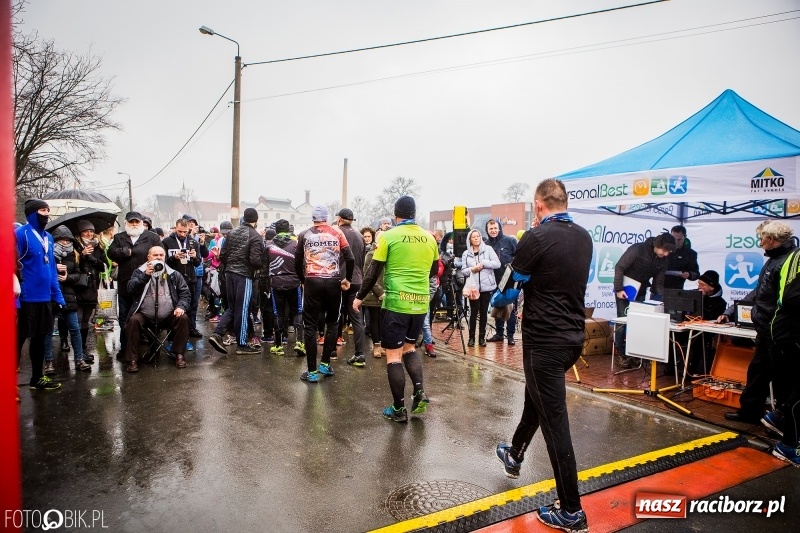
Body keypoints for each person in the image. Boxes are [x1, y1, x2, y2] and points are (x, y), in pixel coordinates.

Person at [495, 178, 592, 532]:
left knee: (555, 423)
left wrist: (498, 303)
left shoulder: (534, 238)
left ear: (538, 206)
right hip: (572, 339)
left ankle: (571, 510)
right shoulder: (583, 236)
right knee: (534, 400)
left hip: (544, 341)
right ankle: (515, 452)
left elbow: (506, 289)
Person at [354, 196, 439, 422]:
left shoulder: (389, 236)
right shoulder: (429, 238)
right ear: (414, 213)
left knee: (393, 355)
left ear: (395, 215)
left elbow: (372, 272)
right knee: (410, 348)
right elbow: (433, 271)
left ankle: (399, 409)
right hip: (420, 304)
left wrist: (359, 297)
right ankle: (419, 391)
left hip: (396, 303)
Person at [724, 220, 797, 424]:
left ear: (771, 239)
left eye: (761, 237)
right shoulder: (773, 259)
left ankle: (783, 422)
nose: (759, 241)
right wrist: (731, 311)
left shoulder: (788, 260)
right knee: (757, 373)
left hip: (779, 332)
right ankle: (749, 412)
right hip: (766, 330)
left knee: (783, 380)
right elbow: (759, 292)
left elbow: (786, 299)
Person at [294, 205, 354, 382]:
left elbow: (297, 260)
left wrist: (302, 279)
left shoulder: (304, 234)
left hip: (312, 280)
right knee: (333, 322)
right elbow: (350, 258)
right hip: (333, 280)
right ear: (326, 218)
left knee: (310, 325)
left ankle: (312, 372)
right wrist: (347, 279)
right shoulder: (337, 233)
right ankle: (325, 364)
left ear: (313, 218)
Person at [15, 199, 67, 390]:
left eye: (48, 210)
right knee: (18, 341)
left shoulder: (49, 238)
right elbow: (10, 266)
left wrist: (58, 297)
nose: (46, 214)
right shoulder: (20, 234)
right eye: (42, 210)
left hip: (44, 298)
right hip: (25, 298)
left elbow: (52, 269)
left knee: (39, 339)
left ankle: (37, 378)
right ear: (31, 213)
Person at [612, 232, 676, 368]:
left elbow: (658, 282)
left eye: (669, 252)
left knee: (637, 322)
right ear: (657, 245)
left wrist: (660, 301)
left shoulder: (664, 260)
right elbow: (619, 267)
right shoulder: (638, 249)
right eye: (664, 250)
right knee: (623, 320)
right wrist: (618, 289)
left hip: (640, 290)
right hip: (625, 288)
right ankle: (621, 353)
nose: (666, 254)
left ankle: (634, 353)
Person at [123, 246, 192, 372]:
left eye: (161, 255)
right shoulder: (139, 272)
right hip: (145, 314)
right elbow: (130, 289)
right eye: (155, 255)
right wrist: (145, 276)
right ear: (148, 258)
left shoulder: (173, 274)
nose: (159, 257)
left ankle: (179, 354)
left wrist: (180, 306)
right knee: (133, 321)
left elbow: (185, 293)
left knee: (183, 318)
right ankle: (132, 360)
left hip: (168, 314)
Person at [208, 208, 265, 355]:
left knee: (232, 308)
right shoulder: (255, 236)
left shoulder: (232, 233)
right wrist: (260, 266)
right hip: (244, 276)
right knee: (243, 309)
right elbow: (255, 260)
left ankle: (217, 334)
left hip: (229, 274)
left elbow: (223, 255)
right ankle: (242, 344)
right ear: (256, 221)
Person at [107, 211, 163, 358]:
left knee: (150, 317)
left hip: (147, 285)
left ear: (141, 223)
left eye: (136, 222)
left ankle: (153, 348)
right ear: (126, 223)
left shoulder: (152, 237)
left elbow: (162, 254)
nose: (134, 224)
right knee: (125, 318)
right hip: (126, 285)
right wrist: (125, 252)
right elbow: (110, 253)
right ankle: (125, 348)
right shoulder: (119, 238)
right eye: (131, 222)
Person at [768, 245, 800, 464]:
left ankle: (780, 416)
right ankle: (789, 445)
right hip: (790, 332)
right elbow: (789, 298)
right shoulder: (795, 257)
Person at [47, 225, 91, 371]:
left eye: (67, 240)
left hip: (69, 295)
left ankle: (79, 359)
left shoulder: (74, 254)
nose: (65, 243)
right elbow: (41, 272)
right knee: (47, 330)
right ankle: (49, 362)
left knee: (74, 328)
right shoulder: (47, 253)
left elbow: (78, 275)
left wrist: (67, 277)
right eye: (61, 240)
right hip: (51, 295)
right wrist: (54, 268)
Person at [161, 218, 202, 348]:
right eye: (180, 231)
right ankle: (171, 340)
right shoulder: (167, 242)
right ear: (175, 228)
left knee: (188, 310)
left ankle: (185, 340)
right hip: (172, 280)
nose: (183, 234)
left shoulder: (193, 242)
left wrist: (195, 256)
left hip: (190, 279)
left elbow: (198, 262)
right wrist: (174, 257)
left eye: (185, 232)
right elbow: (162, 262)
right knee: (173, 310)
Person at [335, 208, 367, 368]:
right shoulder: (361, 236)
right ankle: (360, 354)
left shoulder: (336, 233)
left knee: (335, 315)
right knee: (356, 318)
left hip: (340, 279)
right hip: (356, 279)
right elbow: (360, 260)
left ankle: (332, 351)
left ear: (340, 219)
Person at [460, 228, 501, 347]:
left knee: (484, 313)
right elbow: (463, 271)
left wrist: (484, 263)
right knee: (473, 312)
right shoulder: (466, 253)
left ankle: (481, 338)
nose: (476, 238)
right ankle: (471, 337)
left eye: (478, 236)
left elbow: (497, 264)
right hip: (473, 287)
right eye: (474, 237)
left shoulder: (488, 249)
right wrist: (472, 269)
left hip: (486, 287)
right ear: (470, 240)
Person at [73, 219, 107, 359]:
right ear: (80, 234)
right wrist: (82, 255)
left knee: (86, 320)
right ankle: (78, 351)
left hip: (92, 288)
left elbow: (103, 265)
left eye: (91, 231)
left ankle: (84, 349)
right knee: (78, 319)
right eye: (86, 231)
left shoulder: (99, 247)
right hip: (78, 287)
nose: (89, 234)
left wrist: (91, 257)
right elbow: (71, 266)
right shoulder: (74, 246)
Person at [484, 218, 518, 345]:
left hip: (509, 280)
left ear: (499, 228)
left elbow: (519, 256)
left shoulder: (510, 241)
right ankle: (499, 334)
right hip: (493, 280)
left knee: (510, 308)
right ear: (487, 230)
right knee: (497, 307)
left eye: (495, 228)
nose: (493, 231)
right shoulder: (486, 244)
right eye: (490, 229)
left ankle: (510, 336)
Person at [361, 230, 386, 358]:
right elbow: (368, 275)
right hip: (373, 293)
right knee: (374, 320)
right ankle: (376, 345)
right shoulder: (371, 254)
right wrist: (380, 291)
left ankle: (381, 345)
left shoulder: (388, 254)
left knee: (382, 321)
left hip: (385, 292)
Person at [664, 225, 700, 290]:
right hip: (657, 289)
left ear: (685, 237)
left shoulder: (690, 254)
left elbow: (696, 274)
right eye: (673, 238)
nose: (676, 242)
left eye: (679, 240)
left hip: (677, 289)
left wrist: (689, 274)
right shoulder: (662, 248)